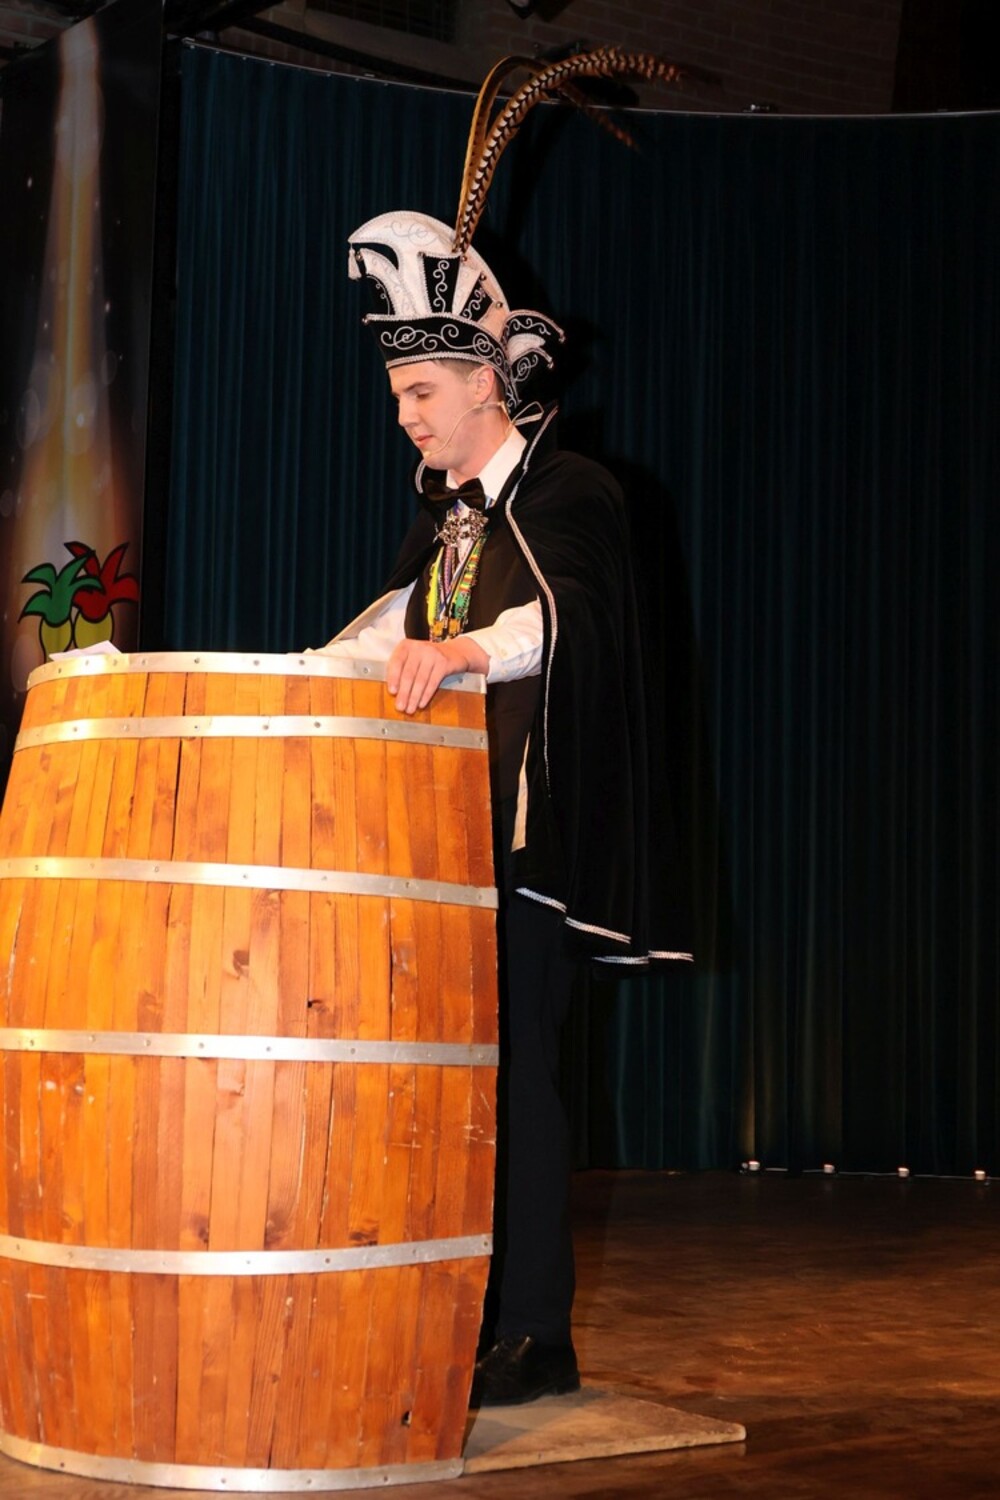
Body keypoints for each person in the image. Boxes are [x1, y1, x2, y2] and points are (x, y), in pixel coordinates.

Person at [315, 192, 693, 1404]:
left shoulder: (574, 491)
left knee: (517, 1078)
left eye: (423, 393)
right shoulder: (444, 525)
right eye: (397, 400)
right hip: (443, 844)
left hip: (527, 840)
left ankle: (535, 1332)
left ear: (486, 384)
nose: (407, 418)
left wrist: (465, 650)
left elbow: (564, 614)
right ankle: (459, 1312)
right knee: (451, 1083)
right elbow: (381, 632)